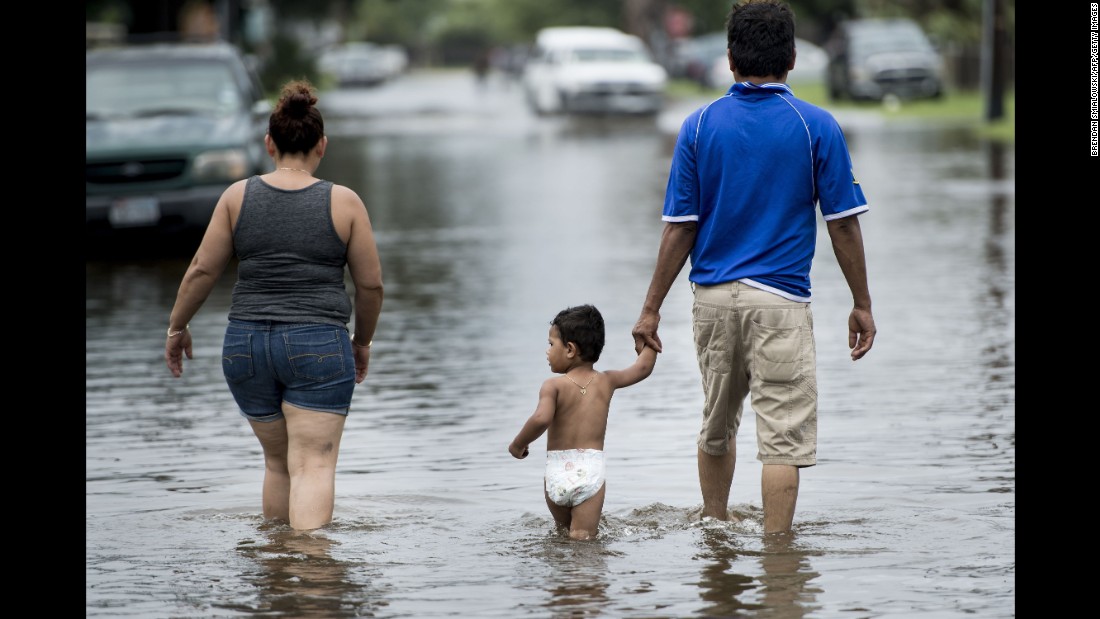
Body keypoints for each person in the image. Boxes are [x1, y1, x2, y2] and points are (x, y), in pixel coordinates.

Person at [631, 0, 876, 535]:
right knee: (782, 437)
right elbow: (841, 225)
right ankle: (778, 557)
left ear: (729, 58)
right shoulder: (816, 125)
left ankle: (715, 533)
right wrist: (861, 303)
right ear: (791, 57)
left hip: (713, 301)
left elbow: (679, 227)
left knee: (716, 428)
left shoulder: (697, 127)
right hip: (781, 304)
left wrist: (650, 310)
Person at [164, 79, 384, 531]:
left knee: (279, 463)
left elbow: (201, 271)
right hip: (317, 343)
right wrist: (361, 341)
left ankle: (278, 573)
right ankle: (309, 575)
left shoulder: (236, 196)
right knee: (314, 465)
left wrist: (176, 327)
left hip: (245, 346)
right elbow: (371, 286)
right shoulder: (344, 202)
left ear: (269, 144)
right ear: (322, 146)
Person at [509, 305, 658, 540]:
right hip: (589, 471)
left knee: (562, 534)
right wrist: (647, 340)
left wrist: (518, 445)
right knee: (582, 538)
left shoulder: (553, 386)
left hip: (557, 472)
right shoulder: (607, 380)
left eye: (551, 344)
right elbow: (643, 367)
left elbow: (541, 418)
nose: (547, 351)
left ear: (570, 349)